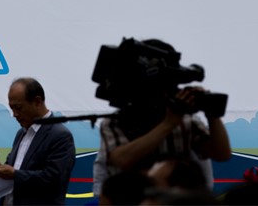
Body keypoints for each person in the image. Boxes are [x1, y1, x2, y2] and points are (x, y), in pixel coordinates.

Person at [96, 39, 231, 194]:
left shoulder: (185, 120)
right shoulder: (116, 122)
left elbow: (221, 154)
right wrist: (168, 124)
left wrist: (212, 113)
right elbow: (122, 160)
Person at [0, 77, 76, 205]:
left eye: (18, 107)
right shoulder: (21, 133)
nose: (14, 114)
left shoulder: (60, 135)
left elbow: (54, 179)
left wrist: (15, 174)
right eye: (12, 108)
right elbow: (15, 169)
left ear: (37, 102)